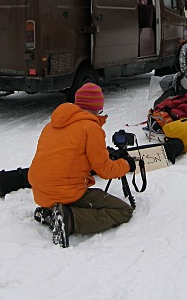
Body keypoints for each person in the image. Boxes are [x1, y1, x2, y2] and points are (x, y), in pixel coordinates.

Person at [28, 82, 136, 248]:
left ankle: (49, 213)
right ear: (97, 107)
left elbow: (68, 157)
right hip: (65, 193)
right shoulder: (91, 128)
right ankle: (69, 220)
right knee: (123, 211)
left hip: (40, 193)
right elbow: (105, 171)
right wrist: (127, 164)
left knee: (82, 193)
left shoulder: (51, 125)